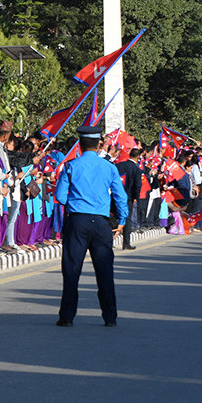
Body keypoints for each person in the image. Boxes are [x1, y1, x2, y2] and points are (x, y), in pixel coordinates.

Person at [54, 125, 129, 327]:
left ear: (80, 144)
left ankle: (67, 317)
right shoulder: (110, 167)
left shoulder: (70, 166)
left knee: (71, 270)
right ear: (99, 145)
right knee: (104, 271)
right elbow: (121, 197)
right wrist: (122, 220)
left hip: (77, 221)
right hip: (101, 223)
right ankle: (110, 317)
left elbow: (60, 197)